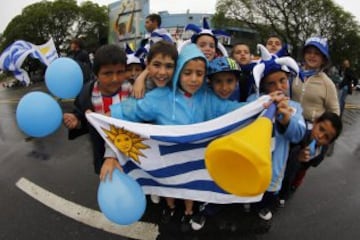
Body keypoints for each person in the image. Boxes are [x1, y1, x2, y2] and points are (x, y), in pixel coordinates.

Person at [248, 44, 306, 231]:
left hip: (275, 168)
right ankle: (248, 206)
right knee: (249, 189)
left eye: (282, 80)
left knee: (269, 193)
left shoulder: (295, 107)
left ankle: (263, 207)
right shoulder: (254, 101)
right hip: (253, 164)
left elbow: (298, 135)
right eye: (271, 83)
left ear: (289, 80)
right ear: (263, 86)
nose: (278, 87)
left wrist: (286, 118)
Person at [63, 44, 130, 176]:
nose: (115, 79)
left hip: (131, 150)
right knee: (110, 181)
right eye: (108, 73)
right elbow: (82, 117)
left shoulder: (132, 89)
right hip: (102, 152)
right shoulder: (86, 94)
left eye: (120, 72)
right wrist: (77, 122)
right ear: (96, 74)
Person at [279, 112, 343, 202]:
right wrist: (297, 157)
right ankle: (281, 194)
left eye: (326, 137)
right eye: (321, 129)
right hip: (285, 168)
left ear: (329, 142)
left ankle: (290, 190)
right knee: (288, 179)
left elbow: (316, 163)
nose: (320, 136)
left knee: (297, 177)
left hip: (302, 168)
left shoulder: (322, 148)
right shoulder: (300, 134)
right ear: (316, 122)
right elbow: (283, 159)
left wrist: (313, 157)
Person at [292, 37, 340, 123]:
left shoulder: (327, 83)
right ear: (304, 55)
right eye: (309, 52)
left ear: (323, 59)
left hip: (312, 130)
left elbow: (335, 113)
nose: (312, 56)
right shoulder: (294, 74)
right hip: (291, 125)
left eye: (317, 53)